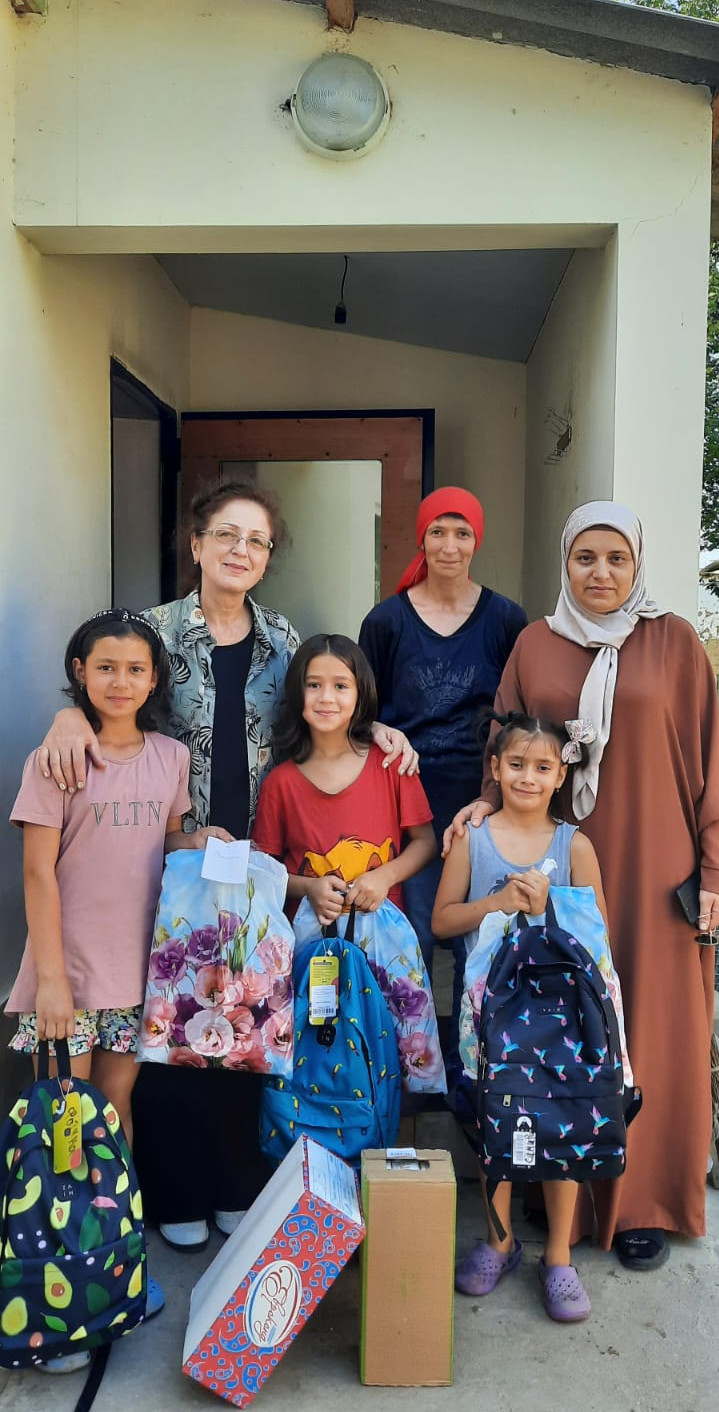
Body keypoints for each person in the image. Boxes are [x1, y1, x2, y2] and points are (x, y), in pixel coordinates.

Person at [36, 482, 415, 1254]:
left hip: (259, 863)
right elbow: (103, 687)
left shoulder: (281, 637)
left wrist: (380, 732)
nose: (241, 550)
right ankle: (176, 1190)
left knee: (247, 1021)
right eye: (227, 535)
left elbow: (323, 703)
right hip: (168, 863)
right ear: (197, 543)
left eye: (256, 541)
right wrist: (66, 716)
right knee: (170, 1026)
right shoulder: (152, 630)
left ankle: (236, 1184)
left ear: (267, 557)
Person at [447, 501, 719, 1271]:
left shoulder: (674, 642)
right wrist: (484, 803)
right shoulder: (535, 643)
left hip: (656, 860)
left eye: (615, 558)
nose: (600, 572)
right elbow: (505, 738)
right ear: (565, 564)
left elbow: (712, 757)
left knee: (651, 1025)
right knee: (559, 1020)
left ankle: (641, 1202)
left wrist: (712, 870)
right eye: (584, 558)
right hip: (557, 864)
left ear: (636, 563)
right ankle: (553, 1187)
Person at [6, 608, 192, 1360]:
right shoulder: (56, 758)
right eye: (106, 667)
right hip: (69, 978)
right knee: (63, 1128)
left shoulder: (172, 756)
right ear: (80, 672)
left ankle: (111, 1263)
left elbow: (167, 840)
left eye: (136, 669)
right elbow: (36, 873)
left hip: (136, 973)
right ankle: (58, 1290)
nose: (121, 681)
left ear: (154, 679)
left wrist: (201, 840)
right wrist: (51, 981)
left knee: (113, 1117)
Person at [433, 711, 609, 1321]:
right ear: (495, 768)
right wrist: (499, 902)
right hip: (490, 1019)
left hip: (562, 1023)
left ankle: (558, 1255)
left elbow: (598, 938)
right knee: (495, 1126)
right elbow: (442, 920)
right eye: (515, 765)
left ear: (561, 775)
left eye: (541, 767)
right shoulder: (473, 840)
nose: (527, 777)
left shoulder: (574, 846)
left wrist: (548, 906)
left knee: (565, 1126)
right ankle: (500, 1242)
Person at [359, 487, 527, 1079]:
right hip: (405, 802)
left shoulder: (505, 619)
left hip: (482, 801)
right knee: (414, 938)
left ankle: (476, 1074)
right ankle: (411, 1072)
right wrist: (380, 729)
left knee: (479, 939)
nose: (449, 545)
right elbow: (361, 708)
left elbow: (518, 712)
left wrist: (497, 794)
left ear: (477, 541)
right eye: (438, 532)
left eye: (462, 533)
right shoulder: (387, 621)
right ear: (421, 538)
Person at [252, 634, 436, 925]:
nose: (326, 697)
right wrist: (308, 887)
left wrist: (385, 876)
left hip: (384, 935)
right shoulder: (280, 783)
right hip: (310, 939)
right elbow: (265, 871)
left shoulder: (392, 762)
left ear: (360, 692)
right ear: (297, 692)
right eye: (313, 685)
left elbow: (425, 842)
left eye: (340, 686)